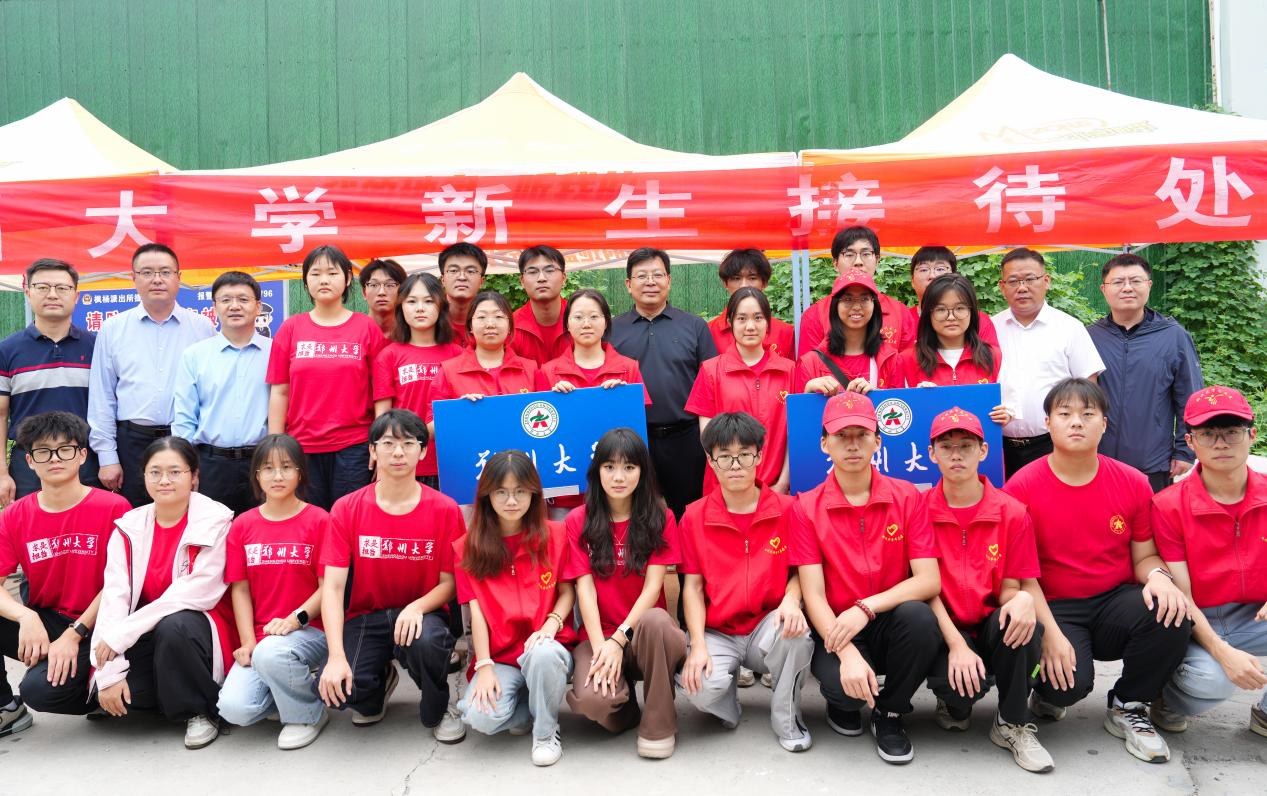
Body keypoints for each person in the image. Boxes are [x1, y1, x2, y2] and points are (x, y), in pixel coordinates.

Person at [1003, 378, 1192, 763]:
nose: (1077, 422)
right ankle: (1047, 695)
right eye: (1065, 414)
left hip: (1113, 600)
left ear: (1104, 424)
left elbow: (1144, 557)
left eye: (1088, 414)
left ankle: (1129, 704)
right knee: (1068, 686)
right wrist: (1051, 636)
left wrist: (1160, 578)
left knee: (1171, 611)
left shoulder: (1133, 482)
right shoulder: (1021, 487)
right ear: (1048, 423)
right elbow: (1023, 577)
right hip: (1055, 605)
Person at [789, 392, 941, 764]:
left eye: (862, 434)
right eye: (842, 436)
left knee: (921, 619)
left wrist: (866, 608)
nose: (853, 444)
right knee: (844, 687)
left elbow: (928, 580)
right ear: (824, 444)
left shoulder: (907, 497)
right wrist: (847, 653)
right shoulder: (806, 506)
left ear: (878, 441)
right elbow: (813, 595)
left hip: (886, 618)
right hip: (836, 624)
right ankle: (842, 704)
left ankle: (890, 713)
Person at [316, 410, 466, 742]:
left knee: (429, 643)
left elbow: (450, 583)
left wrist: (416, 608)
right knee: (339, 689)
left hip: (422, 617)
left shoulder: (445, 509)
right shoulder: (347, 508)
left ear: (423, 451)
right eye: (388, 444)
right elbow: (333, 588)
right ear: (372, 451)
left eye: (408, 444)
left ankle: (439, 707)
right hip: (366, 616)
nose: (398, 452)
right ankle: (377, 684)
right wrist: (336, 656)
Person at [920, 407, 1053, 773]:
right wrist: (957, 645)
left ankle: (1011, 722)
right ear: (931, 454)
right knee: (958, 690)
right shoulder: (919, 510)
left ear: (983, 450)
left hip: (990, 621)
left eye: (966, 445)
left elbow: (1011, 586)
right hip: (946, 626)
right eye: (946, 447)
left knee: (1025, 625)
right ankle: (953, 702)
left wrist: (1022, 598)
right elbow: (923, 589)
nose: (957, 455)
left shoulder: (1012, 511)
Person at [676, 412, 814, 753]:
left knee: (797, 635)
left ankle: (787, 717)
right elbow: (692, 587)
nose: (736, 465)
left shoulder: (788, 509)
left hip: (767, 623)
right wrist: (698, 643)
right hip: (718, 630)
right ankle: (729, 703)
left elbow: (800, 570)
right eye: (725, 456)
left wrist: (791, 599)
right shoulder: (693, 516)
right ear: (711, 461)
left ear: (760, 456)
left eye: (745, 455)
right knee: (698, 687)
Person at [89, 437, 235, 749]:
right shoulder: (129, 527)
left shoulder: (216, 520)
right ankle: (169, 693)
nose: (164, 480)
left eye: (175, 472)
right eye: (155, 472)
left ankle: (198, 710)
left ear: (194, 477)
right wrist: (109, 672)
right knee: (106, 694)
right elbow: (115, 595)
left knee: (176, 623)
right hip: (147, 633)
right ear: (143, 476)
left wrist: (123, 634)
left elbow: (198, 593)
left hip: (199, 630)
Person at [0, 412, 130, 736]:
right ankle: (6, 708)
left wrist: (75, 634)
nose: (55, 458)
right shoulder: (14, 516)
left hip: (101, 622)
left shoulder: (114, 508)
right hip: (48, 619)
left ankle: (98, 689)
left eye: (65, 449)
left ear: (82, 455)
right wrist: (25, 617)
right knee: (36, 685)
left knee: (39, 690)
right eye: (44, 451)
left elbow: (122, 583)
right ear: (30, 461)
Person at [1151, 386, 1267, 738]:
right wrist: (1223, 653)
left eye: (1231, 432)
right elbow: (1183, 595)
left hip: (1254, 615)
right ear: (1190, 441)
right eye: (1208, 434)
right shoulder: (1168, 505)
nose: (1221, 443)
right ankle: (1168, 699)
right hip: (1197, 619)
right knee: (1211, 681)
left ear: (1252, 434)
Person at [563, 428, 686, 758]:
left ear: (643, 471)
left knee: (658, 621)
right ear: (597, 471)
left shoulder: (661, 517)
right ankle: (627, 710)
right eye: (610, 467)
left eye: (629, 467)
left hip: (645, 635)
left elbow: (653, 588)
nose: (619, 477)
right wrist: (602, 648)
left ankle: (659, 724)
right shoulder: (577, 520)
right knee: (593, 702)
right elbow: (584, 590)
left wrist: (620, 639)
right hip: (599, 634)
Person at [455, 451, 576, 766]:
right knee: (479, 716)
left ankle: (546, 732)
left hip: (548, 648)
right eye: (502, 492)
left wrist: (550, 626)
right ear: (487, 495)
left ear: (534, 493)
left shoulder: (556, 534)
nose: (512, 501)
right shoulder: (467, 547)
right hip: (501, 657)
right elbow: (476, 613)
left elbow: (567, 592)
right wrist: (484, 666)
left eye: (520, 491)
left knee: (543, 654)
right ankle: (530, 704)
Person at [215, 434, 331, 750]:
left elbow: (329, 588)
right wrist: (247, 642)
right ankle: (289, 693)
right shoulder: (243, 525)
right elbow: (240, 589)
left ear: (300, 473)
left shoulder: (320, 520)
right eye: (268, 468)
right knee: (235, 709)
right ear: (256, 475)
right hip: (262, 637)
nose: (277, 476)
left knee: (272, 653)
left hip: (311, 630)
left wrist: (294, 620)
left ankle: (308, 714)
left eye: (286, 467)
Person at [88, 244, 216, 507]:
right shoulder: (113, 329)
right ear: (133, 278)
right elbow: (102, 395)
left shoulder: (202, 327)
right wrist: (107, 456)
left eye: (165, 272)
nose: (157, 279)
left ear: (178, 277)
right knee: (136, 517)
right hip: (132, 442)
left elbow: (211, 392)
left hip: (186, 440)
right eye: (147, 272)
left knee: (188, 515)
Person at [266, 245, 388, 510]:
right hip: (302, 447)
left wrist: (380, 443)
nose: (324, 280)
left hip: (355, 447)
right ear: (305, 281)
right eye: (315, 273)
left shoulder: (366, 328)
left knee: (351, 518)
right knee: (309, 520)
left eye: (332, 273)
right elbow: (279, 391)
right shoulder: (290, 328)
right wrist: (275, 446)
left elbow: (382, 393)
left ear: (347, 279)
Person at [609, 248, 718, 520]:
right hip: (633, 439)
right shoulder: (611, 330)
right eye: (642, 276)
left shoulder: (694, 326)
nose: (650, 282)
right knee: (638, 515)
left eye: (657, 275)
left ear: (669, 281)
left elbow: (712, 382)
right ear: (628, 284)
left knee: (689, 513)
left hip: (686, 438)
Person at [1087, 253, 1203, 493]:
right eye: (1118, 282)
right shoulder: (1090, 336)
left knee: (1151, 517)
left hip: (1153, 461)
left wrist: (1184, 450)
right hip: (1098, 459)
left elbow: (1190, 396)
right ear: (1103, 289)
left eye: (1135, 281)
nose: (1127, 288)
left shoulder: (1173, 336)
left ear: (1149, 285)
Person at [992, 248, 1105, 478]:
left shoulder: (1070, 328)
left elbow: (1089, 390)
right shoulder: (989, 329)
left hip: (1053, 445)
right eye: (1013, 281)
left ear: (1046, 281)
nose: (1022, 287)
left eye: (1030, 279)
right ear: (1002, 287)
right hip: (997, 446)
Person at [542, 289, 649, 516]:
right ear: (567, 324)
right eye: (578, 317)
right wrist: (552, 403)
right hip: (567, 492)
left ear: (606, 322)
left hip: (619, 490)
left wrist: (623, 400)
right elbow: (538, 434)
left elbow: (638, 427)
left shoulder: (628, 369)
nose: (586, 324)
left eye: (594, 316)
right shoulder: (548, 372)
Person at [172, 271, 271, 516]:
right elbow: (184, 418)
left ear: (258, 306)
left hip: (262, 462)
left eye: (243, 299)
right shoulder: (195, 355)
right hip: (211, 464)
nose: (234, 306)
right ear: (215, 307)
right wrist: (187, 467)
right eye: (226, 300)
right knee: (211, 532)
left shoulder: (276, 352)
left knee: (262, 532)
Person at [0, 259, 99, 505]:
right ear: (28, 292)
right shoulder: (7, 350)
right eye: (43, 287)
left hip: (86, 458)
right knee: (32, 526)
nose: (52, 294)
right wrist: (2, 473)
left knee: (89, 525)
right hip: (30, 462)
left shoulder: (98, 346)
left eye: (62, 288)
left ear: (76, 295)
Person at [687, 287, 795, 494]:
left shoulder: (789, 370)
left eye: (758, 318)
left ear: (768, 323)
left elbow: (794, 435)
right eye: (742, 319)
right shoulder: (711, 370)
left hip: (775, 489)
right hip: (724, 489)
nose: (750, 326)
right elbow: (707, 437)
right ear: (730, 322)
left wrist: (782, 484)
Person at [372, 272, 463, 488]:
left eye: (428, 301)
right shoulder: (389, 355)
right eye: (412, 301)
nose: (420, 308)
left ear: (441, 306)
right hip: (403, 461)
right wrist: (381, 458)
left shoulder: (458, 354)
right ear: (401, 307)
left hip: (451, 462)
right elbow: (383, 416)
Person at [425, 291, 545, 436]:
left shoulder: (531, 369)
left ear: (509, 326)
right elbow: (430, 430)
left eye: (498, 317)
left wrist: (562, 394)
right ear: (470, 325)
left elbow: (548, 414)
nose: (490, 324)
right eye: (481, 317)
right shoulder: (448, 371)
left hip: (520, 450)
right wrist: (458, 412)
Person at [796, 226, 914, 358]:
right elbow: (808, 367)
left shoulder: (900, 313)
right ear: (835, 263)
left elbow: (907, 365)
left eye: (866, 254)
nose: (858, 262)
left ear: (877, 260)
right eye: (849, 254)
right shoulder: (814, 316)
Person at [793, 270, 901, 396]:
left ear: (874, 304)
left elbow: (900, 406)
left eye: (864, 299)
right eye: (848, 299)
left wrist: (877, 396)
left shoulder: (891, 359)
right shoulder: (810, 363)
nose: (856, 307)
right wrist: (808, 392)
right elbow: (798, 408)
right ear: (835, 305)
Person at [900, 274, 1003, 388]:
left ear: (972, 311)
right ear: (928, 314)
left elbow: (1009, 397)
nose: (951, 317)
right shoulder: (907, 360)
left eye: (960, 308)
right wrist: (919, 396)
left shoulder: (994, 357)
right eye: (941, 309)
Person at [706, 249, 794, 358]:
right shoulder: (709, 331)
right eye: (736, 278)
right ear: (725, 283)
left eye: (752, 278)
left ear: (764, 283)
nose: (744, 285)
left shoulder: (785, 332)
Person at [905, 246, 999, 346]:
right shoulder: (902, 320)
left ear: (954, 276)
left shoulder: (978, 320)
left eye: (940, 269)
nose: (932, 275)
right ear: (912, 281)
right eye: (924, 270)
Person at [510, 245, 571, 366]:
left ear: (563, 278)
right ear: (522, 281)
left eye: (549, 270)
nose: (541, 278)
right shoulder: (510, 327)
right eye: (533, 272)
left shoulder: (581, 321)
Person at [438, 242, 488, 347]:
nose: (462, 277)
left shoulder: (491, 324)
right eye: (453, 270)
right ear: (443, 279)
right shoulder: (429, 322)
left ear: (482, 281)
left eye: (470, 271)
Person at [359, 257, 406, 337]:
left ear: (402, 292)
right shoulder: (354, 332)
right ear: (364, 292)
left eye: (390, 285)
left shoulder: (412, 334)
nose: (381, 292)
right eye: (374, 285)